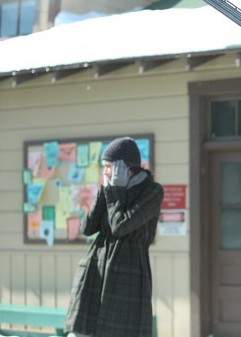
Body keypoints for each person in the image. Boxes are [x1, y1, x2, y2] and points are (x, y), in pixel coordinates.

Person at [65, 137, 164, 337]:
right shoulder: (110, 190)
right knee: (79, 333)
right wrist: (105, 191)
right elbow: (87, 227)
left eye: (109, 166)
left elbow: (121, 226)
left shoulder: (152, 192)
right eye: (104, 167)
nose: (105, 172)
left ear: (125, 167)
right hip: (96, 271)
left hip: (128, 276)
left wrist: (115, 191)